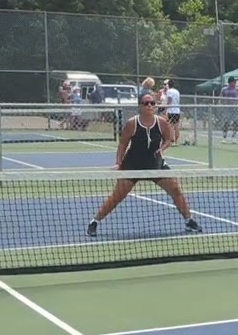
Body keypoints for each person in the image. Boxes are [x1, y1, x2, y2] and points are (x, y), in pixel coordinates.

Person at [86, 94, 201, 237]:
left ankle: (189, 220)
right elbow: (123, 144)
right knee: (117, 197)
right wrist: (118, 163)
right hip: (133, 165)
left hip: (155, 164)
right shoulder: (132, 123)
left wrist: (162, 148)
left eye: (152, 103)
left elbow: (169, 139)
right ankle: (94, 222)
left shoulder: (162, 122)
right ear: (140, 105)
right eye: (146, 103)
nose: (150, 106)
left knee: (176, 189)